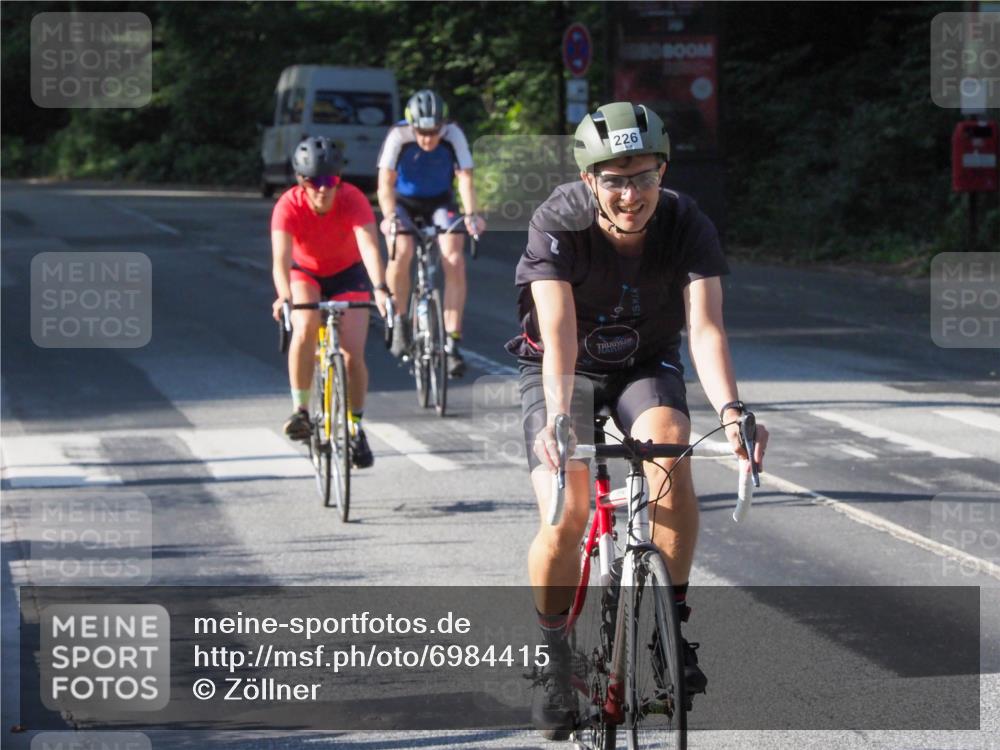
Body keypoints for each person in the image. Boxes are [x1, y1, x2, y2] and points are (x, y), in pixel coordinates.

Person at [506, 102, 770, 737]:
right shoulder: (559, 223)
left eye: (645, 177)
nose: (631, 195)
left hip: (644, 363)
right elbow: (558, 330)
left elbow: (705, 327)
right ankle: (554, 657)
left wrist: (732, 410)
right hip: (561, 371)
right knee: (566, 512)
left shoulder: (686, 222)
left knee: (671, 450)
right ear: (590, 180)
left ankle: (669, 631)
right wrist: (560, 419)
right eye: (615, 180)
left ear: (664, 172)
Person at [271, 136, 390, 469]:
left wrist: (381, 288)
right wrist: (283, 296)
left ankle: (355, 426)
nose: (323, 189)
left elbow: (368, 247)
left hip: (347, 273)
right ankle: (301, 411)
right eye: (314, 181)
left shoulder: (352, 199)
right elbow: (280, 260)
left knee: (352, 355)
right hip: (304, 272)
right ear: (301, 181)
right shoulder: (288, 205)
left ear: (340, 179)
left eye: (331, 181)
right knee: (305, 325)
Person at [376, 89, 486, 377]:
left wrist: (471, 214)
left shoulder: (453, 135)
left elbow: (465, 178)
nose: (427, 138)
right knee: (402, 251)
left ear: (443, 125)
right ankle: (399, 321)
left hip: (439, 201)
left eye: (434, 131)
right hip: (403, 203)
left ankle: (452, 343)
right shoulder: (398, 135)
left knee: (454, 259)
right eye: (422, 132)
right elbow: (385, 183)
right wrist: (389, 217)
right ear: (412, 126)